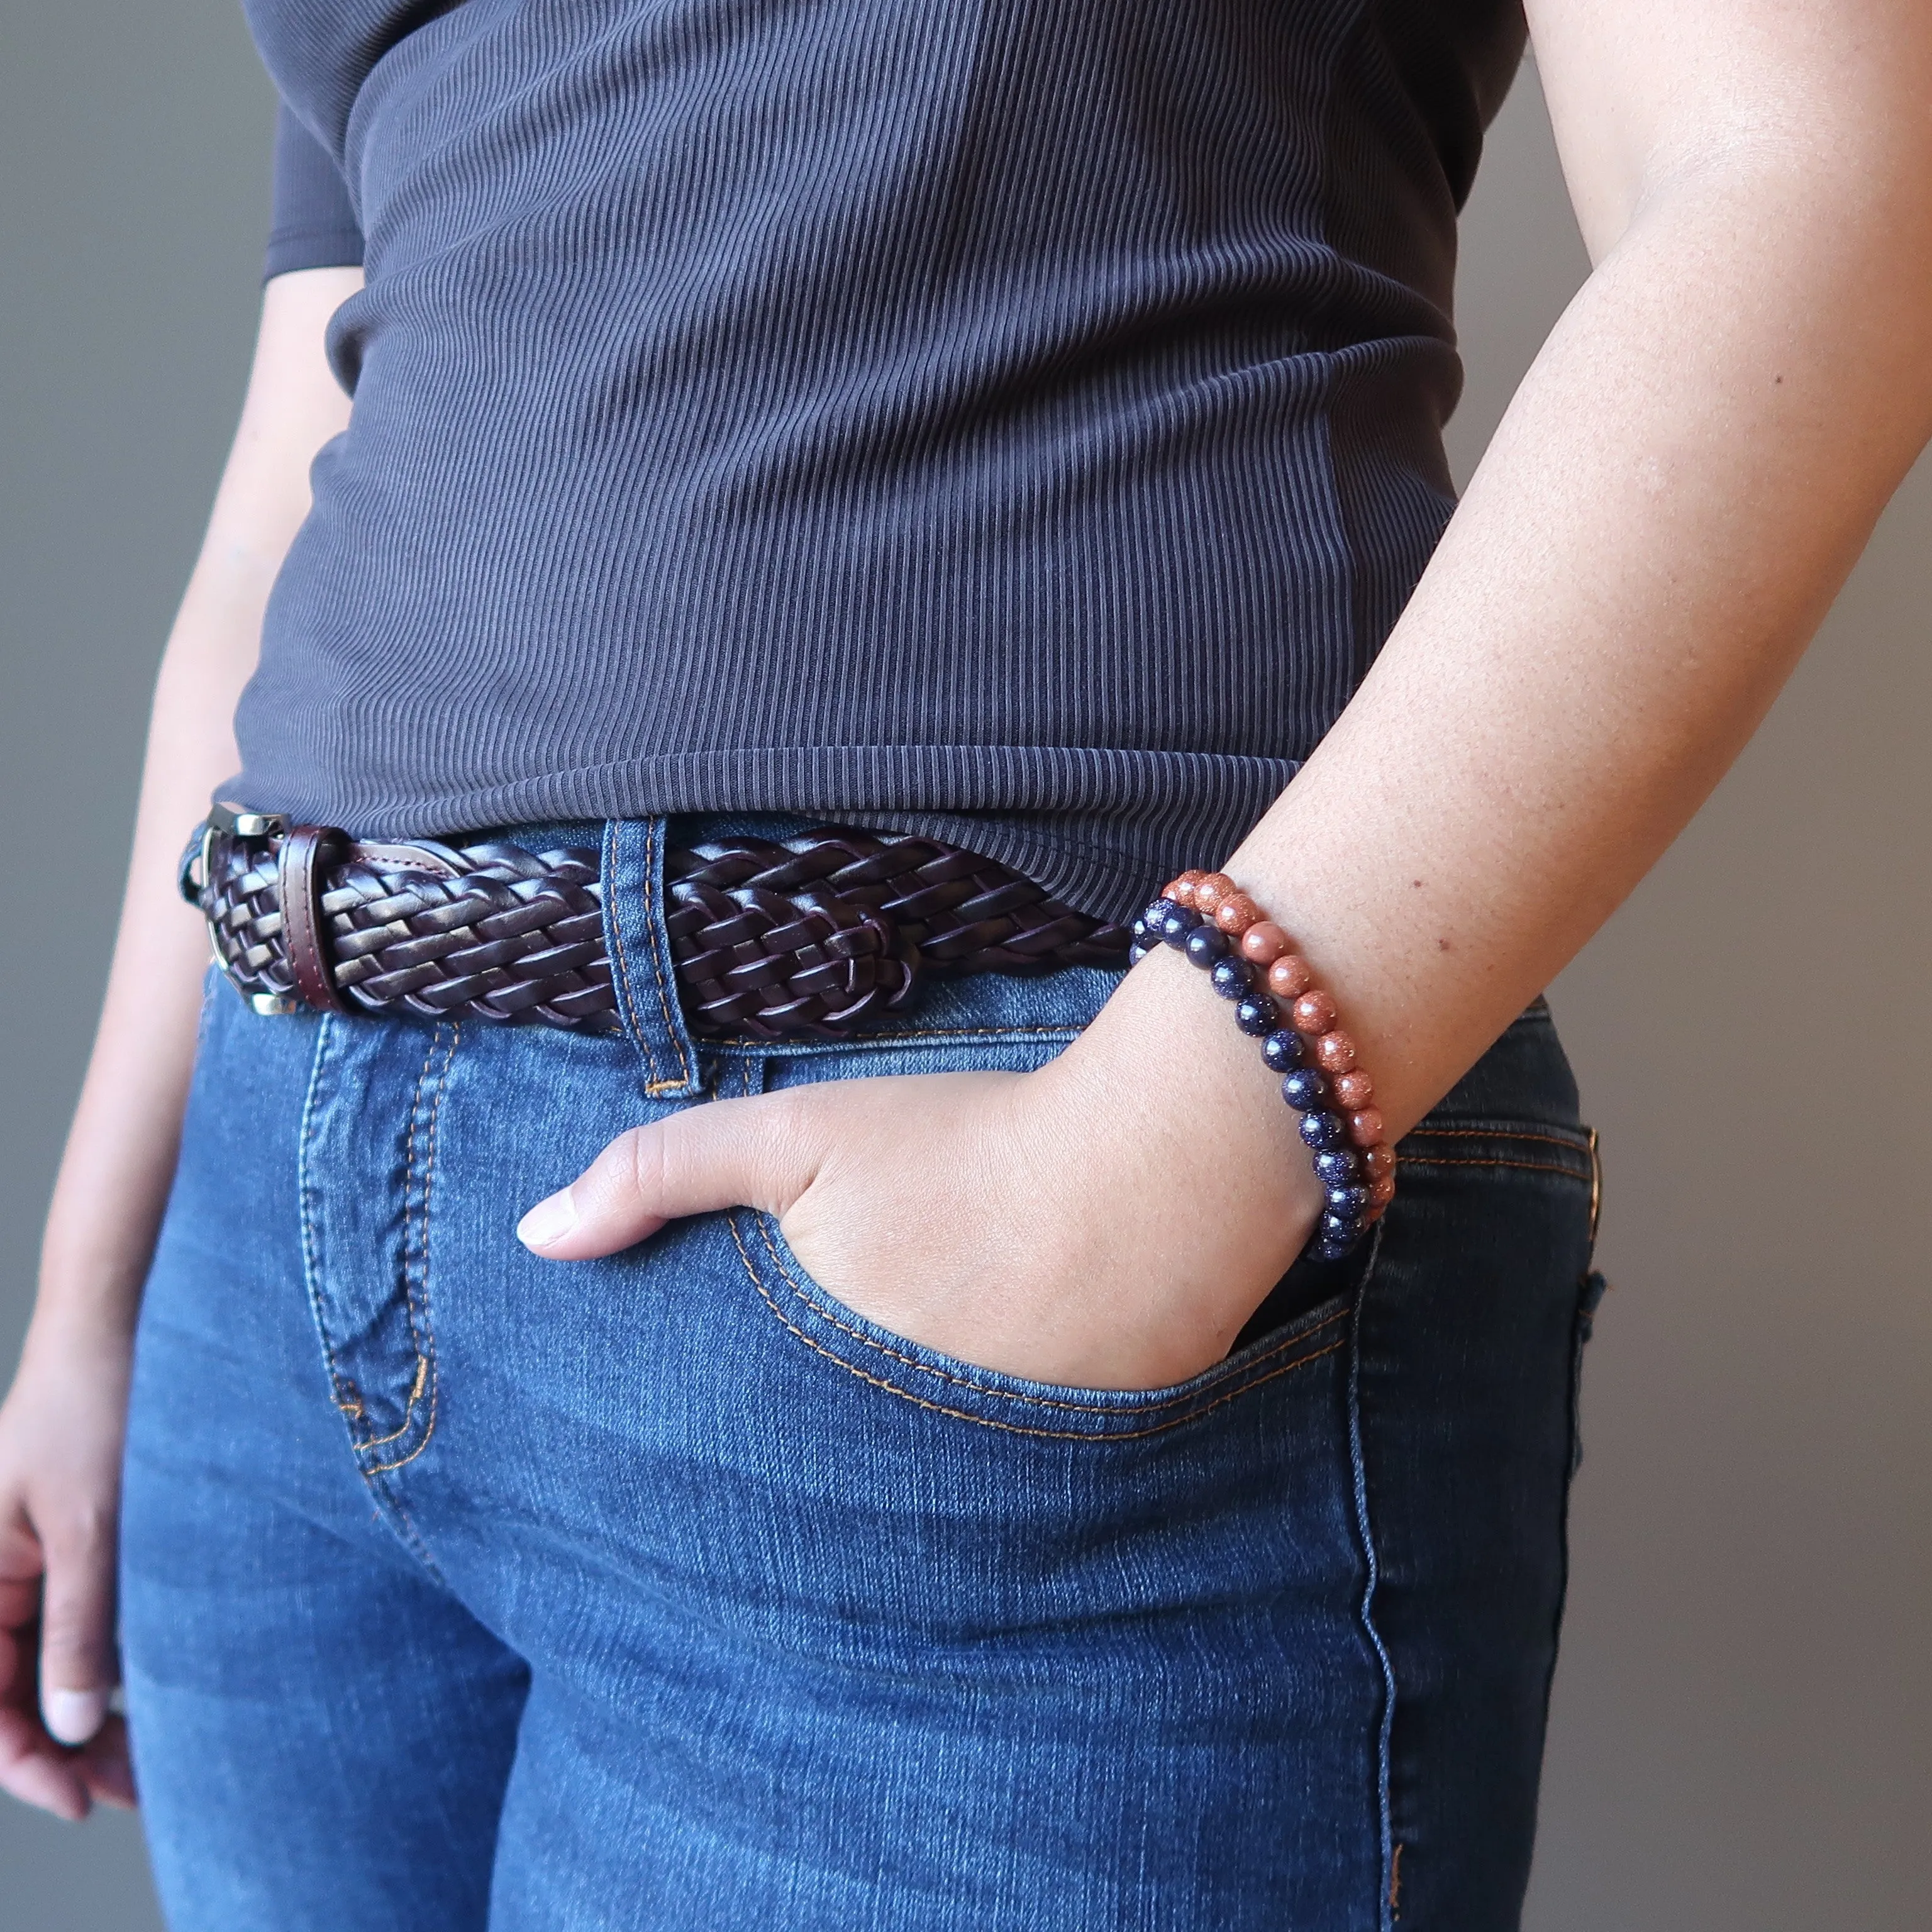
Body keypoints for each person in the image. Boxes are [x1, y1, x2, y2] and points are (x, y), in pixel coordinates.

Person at [3, 0, 1929, 1925]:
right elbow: (308, 455)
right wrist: (100, 1294)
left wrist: (1177, 1137)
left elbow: (1817, 170)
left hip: (985, 1220)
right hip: (273, 1247)